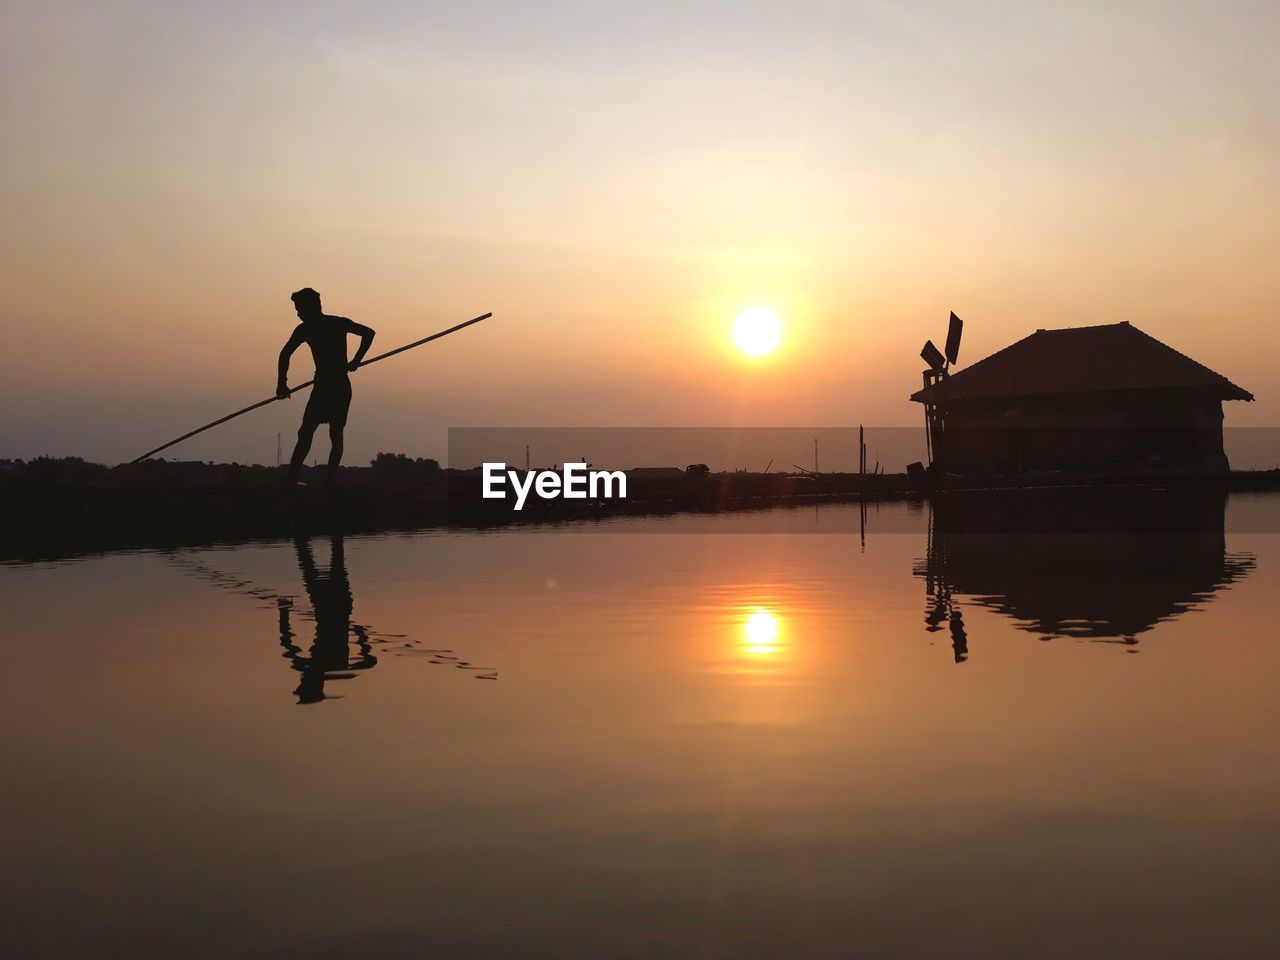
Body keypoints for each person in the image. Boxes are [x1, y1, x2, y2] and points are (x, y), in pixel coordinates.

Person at [277, 288, 375, 485]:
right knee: (309, 432)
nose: (298, 314)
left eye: (300, 309)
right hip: (325, 384)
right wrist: (281, 384)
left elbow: (369, 333)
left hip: (335, 385)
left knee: (332, 433)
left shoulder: (333, 324)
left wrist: (356, 360)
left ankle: (326, 480)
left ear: (312, 307)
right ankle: (294, 478)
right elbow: (285, 353)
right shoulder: (312, 328)